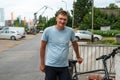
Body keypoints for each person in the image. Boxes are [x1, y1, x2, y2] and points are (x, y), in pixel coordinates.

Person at [40, 10, 83, 80]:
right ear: (56, 18)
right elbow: (42, 47)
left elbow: (75, 44)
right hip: (50, 65)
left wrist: (78, 57)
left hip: (64, 66)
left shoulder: (70, 31)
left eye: (64, 19)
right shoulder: (47, 31)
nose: (62, 21)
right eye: (60, 19)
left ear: (67, 20)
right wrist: (42, 63)